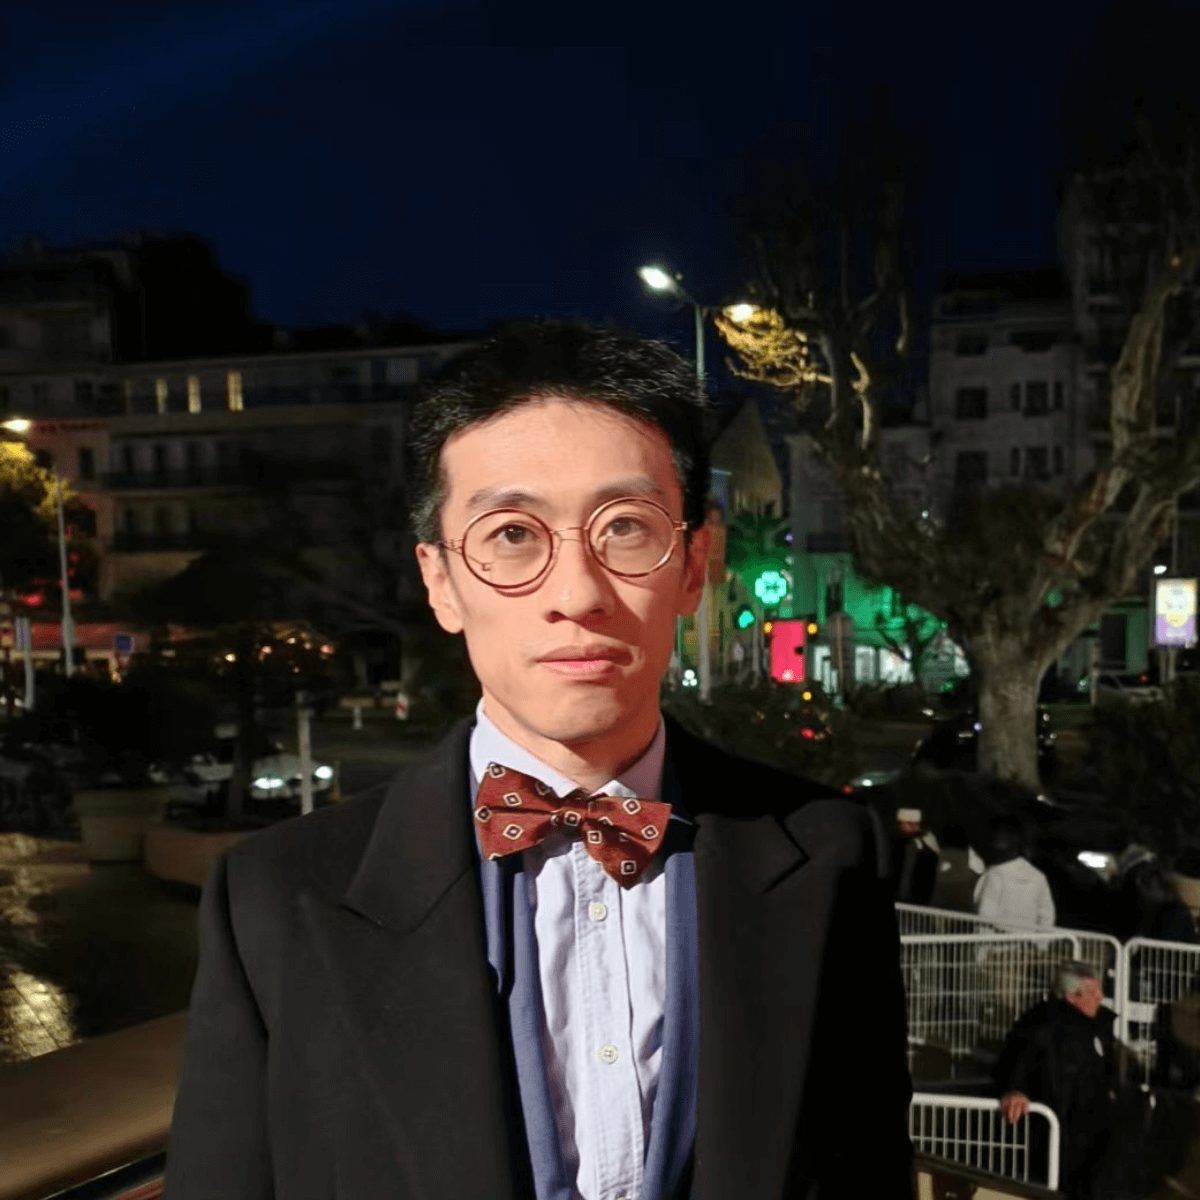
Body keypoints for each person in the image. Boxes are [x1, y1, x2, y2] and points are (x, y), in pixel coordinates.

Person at [164, 321, 914, 1200]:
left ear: (693, 564)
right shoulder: (276, 898)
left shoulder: (832, 857)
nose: (577, 593)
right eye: (513, 535)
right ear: (441, 580)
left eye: (625, 528)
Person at [994, 960, 1117, 1199]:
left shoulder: (1099, 1024)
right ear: (1072, 996)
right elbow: (1017, 1064)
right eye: (1093, 992)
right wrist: (1015, 1091)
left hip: (1094, 1135)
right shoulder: (1040, 1026)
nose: (1101, 997)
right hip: (1056, 1135)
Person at [974, 815, 1056, 929]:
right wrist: (1037, 939)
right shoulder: (1038, 877)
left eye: (1000, 833)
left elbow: (985, 914)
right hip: (1027, 938)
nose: (995, 837)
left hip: (994, 939)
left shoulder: (996, 874)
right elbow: (1047, 917)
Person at [889, 806, 940, 904]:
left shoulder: (926, 845)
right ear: (900, 823)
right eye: (910, 823)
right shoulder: (894, 843)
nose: (914, 827)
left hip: (915, 901)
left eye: (916, 824)